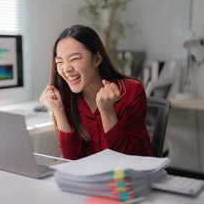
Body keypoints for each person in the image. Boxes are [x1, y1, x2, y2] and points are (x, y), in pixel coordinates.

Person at [39, 25, 153, 160]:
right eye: (60, 61)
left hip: (130, 177)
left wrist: (107, 111)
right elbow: (72, 158)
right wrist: (58, 110)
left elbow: (125, 159)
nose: (66, 69)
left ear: (97, 59)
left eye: (74, 59)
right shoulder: (68, 96)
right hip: (91, 178)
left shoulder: (131, 90)